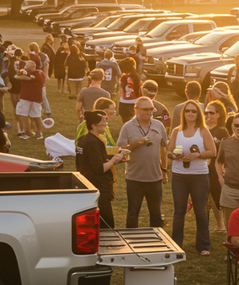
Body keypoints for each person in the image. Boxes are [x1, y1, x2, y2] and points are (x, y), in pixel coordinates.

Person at [168, 99, 216, 255]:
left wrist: (197, 155)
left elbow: (213, 151)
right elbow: (169, 151)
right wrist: (174, 156)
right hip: (179, 175)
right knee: (179, 211)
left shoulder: (203, 131)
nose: (190, 114)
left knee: (200, 211)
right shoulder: (176, 131)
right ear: (183, 113)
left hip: (199, 176)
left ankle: (204, 246)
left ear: (198, 114)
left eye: (193, 111)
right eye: (187, 111)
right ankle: (176, 245)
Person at [117, 96, 169, 228]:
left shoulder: (159, 125)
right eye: (145, 109)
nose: (149, 112)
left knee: (156, 214)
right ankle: (131, 238)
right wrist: (133, 145)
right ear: (135, 109)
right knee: (133, 213)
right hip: (134, 178)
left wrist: (164, 170)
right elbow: (120, 151)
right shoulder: (128, 127)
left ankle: (157, 239)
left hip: (155, 178)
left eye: (151, 109)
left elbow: (163, 148)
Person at [76, 110, 126, 228]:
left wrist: (114, 159)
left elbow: (91, 161)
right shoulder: (93, 142)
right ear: (94, 125)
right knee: (106, 225)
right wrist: (113, 160)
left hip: (88, 185)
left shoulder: (83, 139)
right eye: (103, 122)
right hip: (99, 187)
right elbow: (99, 168)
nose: (106, 125)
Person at [205, 100, 230, 233]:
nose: (208, 115)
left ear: (219, 114)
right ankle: (205, 225)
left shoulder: (222, 131)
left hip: (216, 169)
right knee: (203, 197)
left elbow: (227, 152)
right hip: (202, 168)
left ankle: (221, 225)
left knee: (217, 197)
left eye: (212, 113)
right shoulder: (202, 129)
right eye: (206, 113)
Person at [12, 60, 46, 139]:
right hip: (32, 97)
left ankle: (33, 133)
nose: (25, 67)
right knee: (31, 115)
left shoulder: (37, 73)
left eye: (27, 66)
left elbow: (25, 78)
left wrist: (20, 75)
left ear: (33, 67)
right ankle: (33, 133)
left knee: (30, 115)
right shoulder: (31, 73)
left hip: (29, 97)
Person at [117, 57, 141, 122]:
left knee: (125, 122)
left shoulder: (123, 77)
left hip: (124, 102)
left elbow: (121, 91)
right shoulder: (136, 77)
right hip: (135, 102)